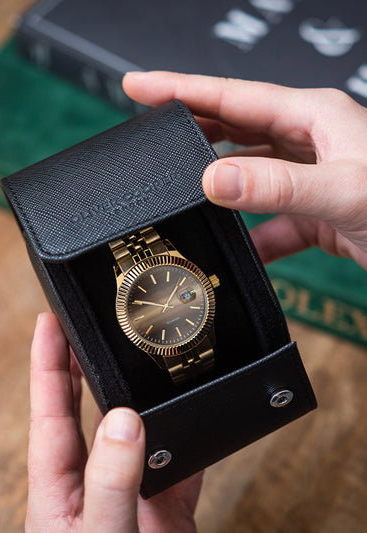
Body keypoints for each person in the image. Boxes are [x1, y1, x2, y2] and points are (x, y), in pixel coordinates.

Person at [26, 73, 367, 532]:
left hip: (186, 318)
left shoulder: (180, 276)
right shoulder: (137, 306)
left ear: (206, 281)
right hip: (165, 334)